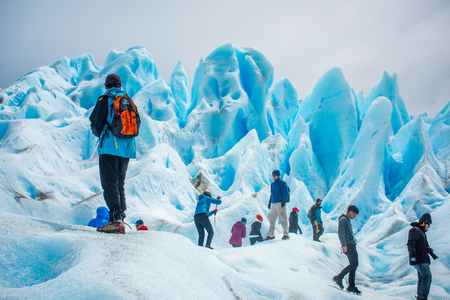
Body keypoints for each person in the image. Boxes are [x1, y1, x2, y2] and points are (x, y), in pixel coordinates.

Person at [89, 73, 137, 234]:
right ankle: (120, 218)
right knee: (119, 184)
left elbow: (96, 124)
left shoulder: (106, 99)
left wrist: (102, 133)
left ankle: (115, 221)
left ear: (106, 85)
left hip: (110, 146)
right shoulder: (128, 101)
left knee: (109, 183)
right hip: (127, 148)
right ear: (121, 85)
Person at [407, 212, 438, 300]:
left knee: (422, 278)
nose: (429, 227)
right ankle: (423, 297)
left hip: (422, 258)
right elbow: (410, 244)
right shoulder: (415, 230)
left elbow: (424, 246)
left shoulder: (420, 232)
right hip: (420, 259)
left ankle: (420, 297)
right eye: (428, 224)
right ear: (424, 222)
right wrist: (413, 257)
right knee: (427, 276)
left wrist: (432, 254)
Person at [332, 205, 361, 295]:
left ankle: (351, 286)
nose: (355, 216)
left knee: (353, 264)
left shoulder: (346, 220)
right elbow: (341, 233)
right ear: (351, 212)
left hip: (351, 244)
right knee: (354, 263)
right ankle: (339, 277)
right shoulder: (343, 220)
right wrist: (343, 245)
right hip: (348, 245)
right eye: (355, 214)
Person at [265, 170, 290, 240]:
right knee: (272, 219)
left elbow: (286, 192)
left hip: (280, 203)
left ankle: (286, 234)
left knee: (283, 219)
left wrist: (283, 201)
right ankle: (271, 235)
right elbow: (272, 194)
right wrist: (270, 202)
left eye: (274, 175)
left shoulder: (282, 183)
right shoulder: (272, 184)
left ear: (277, 175)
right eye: (272, 175)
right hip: (274, 203)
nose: (273, 176)